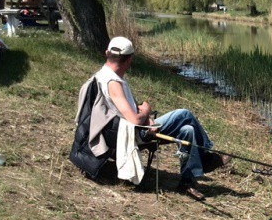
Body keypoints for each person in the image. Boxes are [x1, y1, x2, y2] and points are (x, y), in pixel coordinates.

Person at [95, 36, 228, 200]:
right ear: (129, 60)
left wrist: (147, 117)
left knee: (188, 130)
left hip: (138, 127)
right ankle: (205, 157)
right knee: (184, 114)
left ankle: (187, 183)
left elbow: (126, 109)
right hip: (135, 133)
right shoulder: (112, 82)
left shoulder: (108, 76)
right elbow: (134, 120)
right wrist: (146, 111)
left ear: (107, 53)